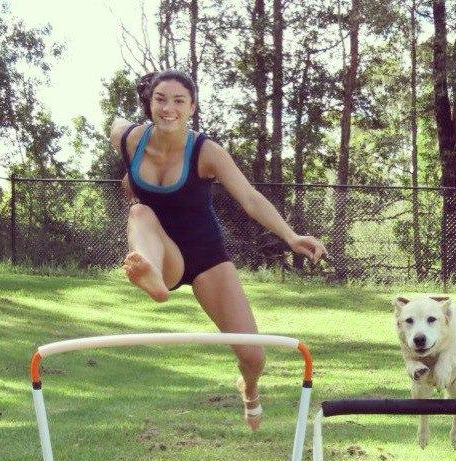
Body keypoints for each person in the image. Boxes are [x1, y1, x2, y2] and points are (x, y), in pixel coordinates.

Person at [110, 69, 327, 431]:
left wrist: (290, 237)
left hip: (206, 256)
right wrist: (129, 182)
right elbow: (116, 124)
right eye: (160, 99)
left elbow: (250, 198)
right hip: (163, 253)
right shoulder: (130, 140)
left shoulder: (206, 151)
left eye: (179, 101)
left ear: (192, 107)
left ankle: (249, 387)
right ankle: (151, 277)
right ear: (149, 104)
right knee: (139, 211)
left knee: (253, 355)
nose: (168, 108)